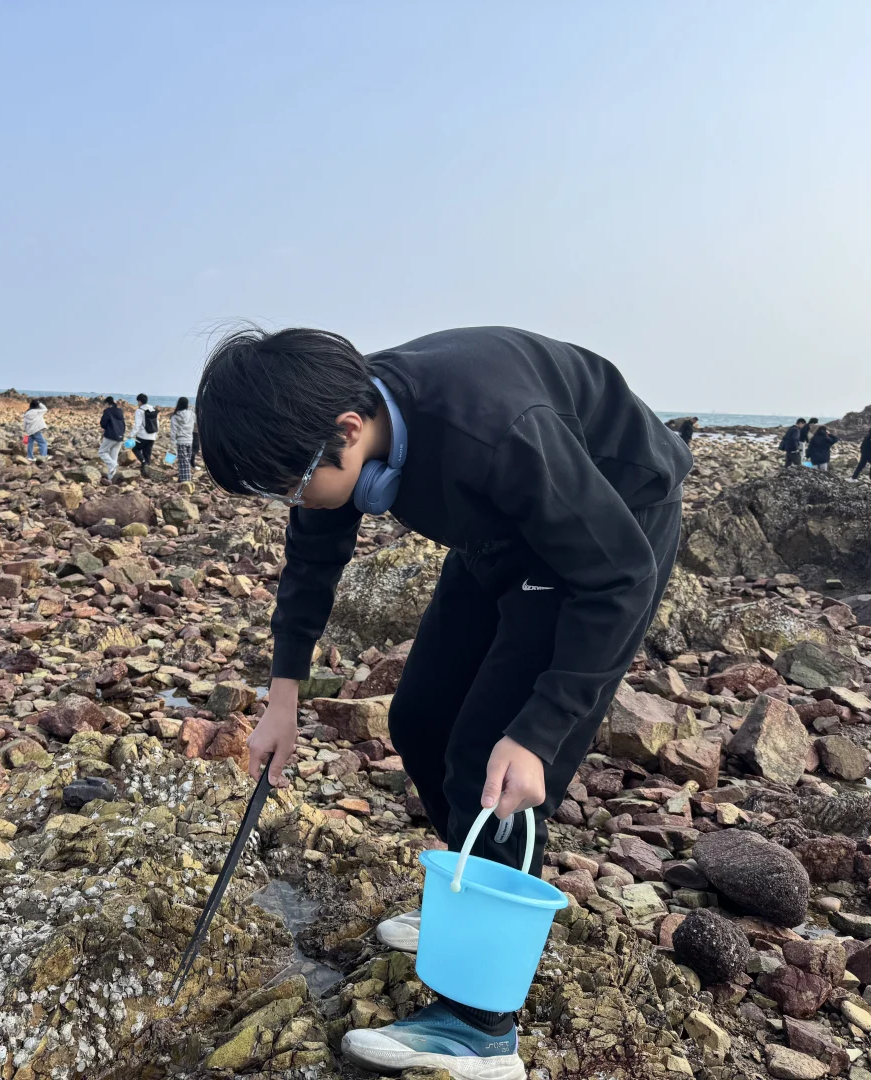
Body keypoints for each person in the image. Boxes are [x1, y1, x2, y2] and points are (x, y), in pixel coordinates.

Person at [196, 325, 691, 1079]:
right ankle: (464, 905)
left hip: (610, 528)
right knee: (419, 719)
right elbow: (311, 558)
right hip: (501, 530)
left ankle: (482, 1028)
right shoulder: (338, 424)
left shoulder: (495, 431)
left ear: (348, 431)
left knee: (493, 761)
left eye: (286, 484)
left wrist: (540, 732)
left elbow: (618, 575)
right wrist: (283, 697)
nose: (287, 501)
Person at [131, 392, 160, 477]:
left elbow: (138, 424)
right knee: (147, 453)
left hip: (142, 435)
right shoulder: (153, 409)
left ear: (139, 401)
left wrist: (132, 435)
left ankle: (143, 463)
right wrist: (156, 434)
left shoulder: (139, 411)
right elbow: (157, 423)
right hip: (152, 436)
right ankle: (146, 472)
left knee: (136, 449)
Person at [99, 396, 126, 482]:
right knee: (113, 455)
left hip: (111, 435)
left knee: (102, 452)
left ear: (107, 403)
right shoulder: (120, 411)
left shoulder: (108, 411)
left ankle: (113, 464)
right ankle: (111, 478)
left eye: (105, 404)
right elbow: (123, 424)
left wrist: (106, 427)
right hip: (120, 436)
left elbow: (103, 423)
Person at [170, 396, 196, 483]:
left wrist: (172, 443)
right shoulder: (191, 414)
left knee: (183, 462)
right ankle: (182, 478)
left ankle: (186, 481)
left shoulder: (176, 415)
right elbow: (196, 422)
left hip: (181, 441)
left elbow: (173, 431)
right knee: (187, 460)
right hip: (190, 440)